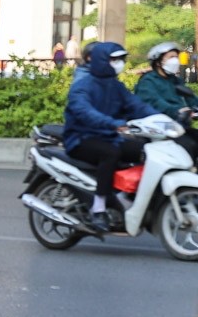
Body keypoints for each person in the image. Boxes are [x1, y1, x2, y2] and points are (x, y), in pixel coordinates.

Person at [64, 41, 160, 234]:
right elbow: (85, 112)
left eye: (121, 59)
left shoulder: (117, 86)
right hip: (81, 138)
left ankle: (124, 196)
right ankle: (98, 208)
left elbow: (137, 106)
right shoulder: (82, 85)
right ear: (102, 61)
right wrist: (112, 123)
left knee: (146, 151)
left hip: (108, 135)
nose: (119, 63)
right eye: (114, 59)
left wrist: (160, 118)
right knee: (111, 153)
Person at [135, 41, 198, 179]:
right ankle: (187, 182)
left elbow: (192, 98)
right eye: (171, 57)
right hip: (161, 129)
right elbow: (156, 103)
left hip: (179, 126)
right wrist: (178, 110)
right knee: (190, 146)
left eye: (176, 57)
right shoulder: (148, 81)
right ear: (158, 62)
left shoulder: (175, 80)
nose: (175, 60)